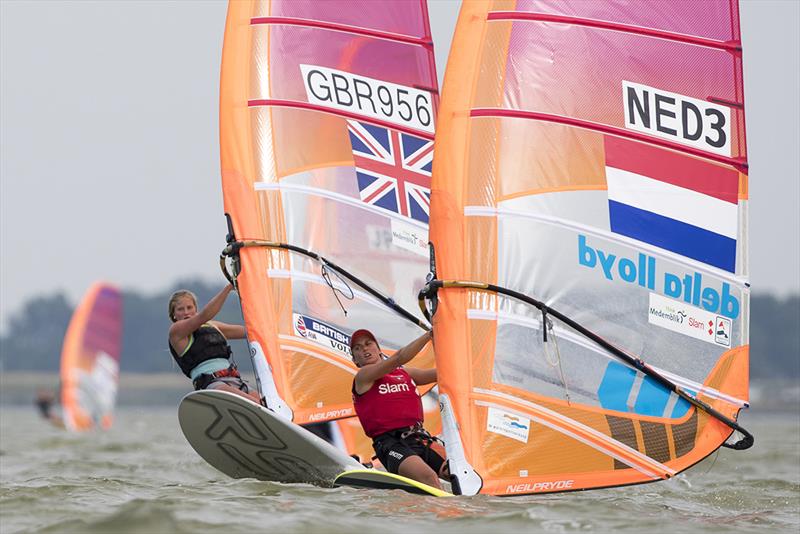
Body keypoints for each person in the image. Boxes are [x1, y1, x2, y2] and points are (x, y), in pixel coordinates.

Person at [350, 328, 447, 489]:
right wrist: (430, 334)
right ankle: (442, 513)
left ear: (379, 351)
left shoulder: (404, 373)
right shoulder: (363, 377)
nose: (364, 349)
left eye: (368, 344)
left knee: (460, 473)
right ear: (355, 361)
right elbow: (399, 358)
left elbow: (444, 374)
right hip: (391, 444)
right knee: (429, 479)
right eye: (357, 348)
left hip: (420, 438)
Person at [168, 285, 260, 403]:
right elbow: (205, 315)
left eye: (189, 307)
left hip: (235, 380)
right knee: (256, 403)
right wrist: (228, 288)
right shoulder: (176, 331)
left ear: (195, 309)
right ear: (174, 314)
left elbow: (251, 332)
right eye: (180, 309)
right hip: (211, 385)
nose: (186, 313)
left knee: (268, 406)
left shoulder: (212, 325)